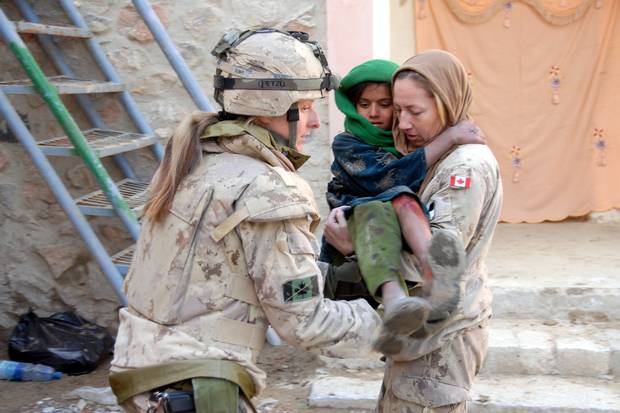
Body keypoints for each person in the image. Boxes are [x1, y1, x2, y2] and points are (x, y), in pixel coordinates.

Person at [107, 28, 383, 413]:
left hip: (144, 377)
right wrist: (395, 321)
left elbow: (226, 275)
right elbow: (305, 322)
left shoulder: (195, 161)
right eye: (305, 108)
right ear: (271, 107)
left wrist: (332, 277)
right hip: (197, 386)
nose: (315, 123)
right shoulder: (268, 187)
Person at [325, 50, 503, 412]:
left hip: (439, 340)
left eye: (415, 112)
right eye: (400, 110)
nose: (401, 123)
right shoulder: (427, 156)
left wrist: (356, 249)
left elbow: (441, 262)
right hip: (418, 337)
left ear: (446, 103)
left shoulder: (463, 167)